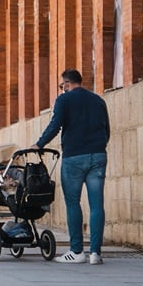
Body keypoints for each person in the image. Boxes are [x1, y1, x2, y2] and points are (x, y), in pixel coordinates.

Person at [35, 69, 111, 265]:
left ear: (67, 84)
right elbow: (106, 129)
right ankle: (95, 253)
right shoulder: (98, 100)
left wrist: (39, 144)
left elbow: (55, 125)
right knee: (96, 204)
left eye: (62, 86)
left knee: (73, 203)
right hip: (98, 155)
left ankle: (76, 251)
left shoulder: (64, 100)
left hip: (74, 158)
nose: (62, 89)